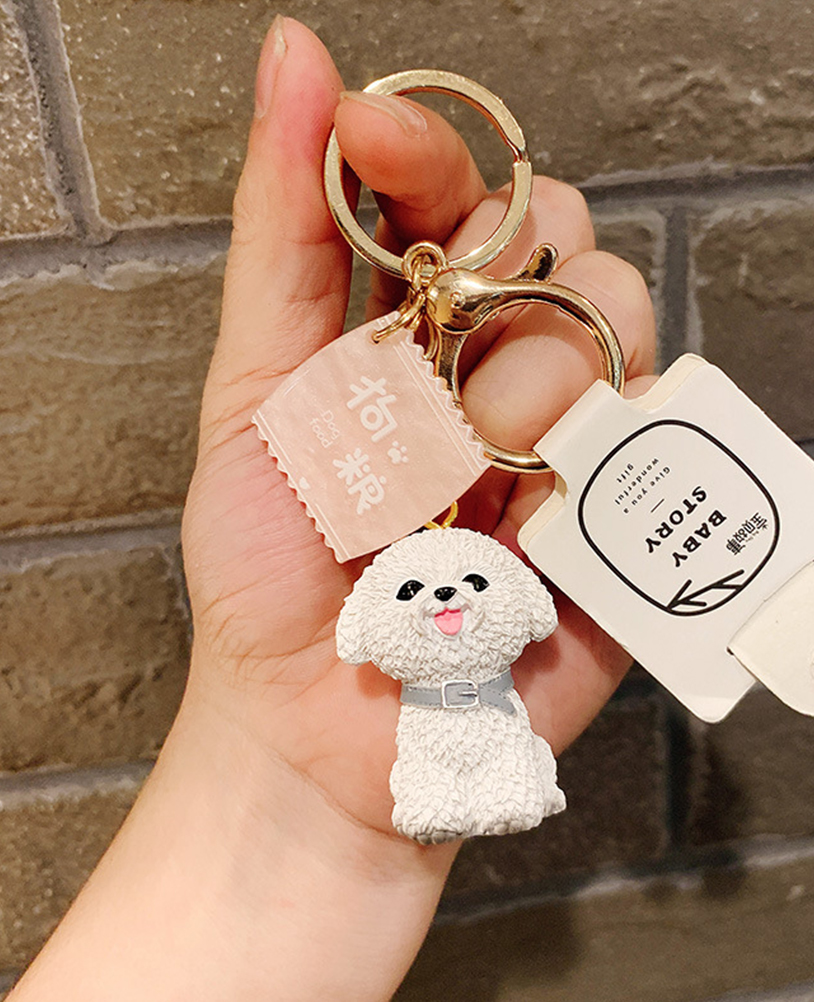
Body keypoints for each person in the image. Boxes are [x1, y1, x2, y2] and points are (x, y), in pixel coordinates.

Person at [10, 16, 656, 1001]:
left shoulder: (489, 597)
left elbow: (513, 609)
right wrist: (286, 784)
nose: (445, 604)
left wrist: (302, 812)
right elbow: (367, 634)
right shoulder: (362, 617)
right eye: (420, 597)